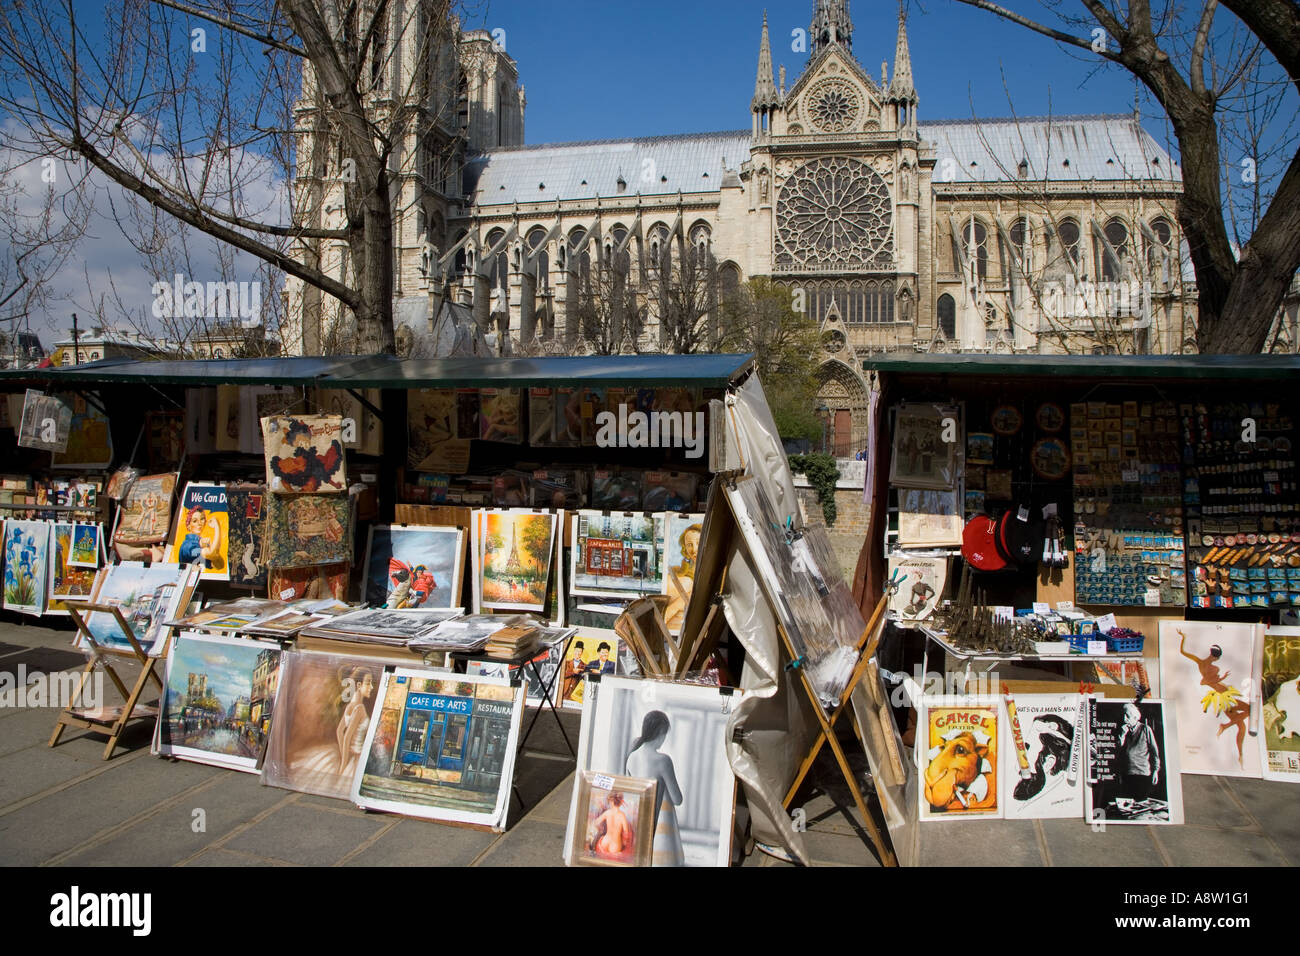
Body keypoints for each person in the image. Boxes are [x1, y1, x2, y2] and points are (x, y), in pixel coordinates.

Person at [1178, 629, 1251, 767]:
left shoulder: (1200, 662)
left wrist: (1183, 637)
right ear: (1217, 657)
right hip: (1224, 697)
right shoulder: (1215, 668)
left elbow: (1183, 652)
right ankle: (1225, 726)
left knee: (1241, 726)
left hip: (1221, 696)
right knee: (1249, 710)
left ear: (1211, 653)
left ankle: (1240, 755)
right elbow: (1209, 681)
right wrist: (1221, 678)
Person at [625, 710, 685, 866]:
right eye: (664, 734)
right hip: (654, 826)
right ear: (660, 732)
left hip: (633, 821)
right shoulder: (662, 760)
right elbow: (677, 799)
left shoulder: (632, 755)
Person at [270, 419, 344, 492]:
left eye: (307, 441)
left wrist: (334, 485)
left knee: (312, 480)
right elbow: (284, 476)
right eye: (300, 442)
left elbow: (321, 473)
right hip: (297, 469)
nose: (304, 443)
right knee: (285, 473)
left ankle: (297, 493)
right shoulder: (290, 462)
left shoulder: (311, 459)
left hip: (307, 475)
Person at [336, 668, 376, 781]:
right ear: (359, 685)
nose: (371, 687)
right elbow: (347, 736)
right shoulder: (359, 709)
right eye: (368, 683)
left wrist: (344, 755)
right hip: (357, 759)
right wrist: (344, 763)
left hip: (355, 757)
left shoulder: (351, 706)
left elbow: (339, 732)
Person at [1118, 703, 1160, 802]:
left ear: (1135, 717)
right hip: (1127, 774)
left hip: (1142, 774)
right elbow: (1118, 753)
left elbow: (1155, 752)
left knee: (1141, 804)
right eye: (1123, 715)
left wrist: (1155, 771)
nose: (1125, 718)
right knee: (1127, 806)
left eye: (1127, 716)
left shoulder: (1145, 729)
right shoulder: (1123, 731)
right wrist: (1123, 736)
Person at [589, 791, 634, 860]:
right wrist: (624, 842)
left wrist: (601, 828)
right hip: (615, 845)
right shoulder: (622, 815)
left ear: (611, 802)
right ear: (620, 803)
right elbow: (626, 832)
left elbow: (596, 822)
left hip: (605, 841)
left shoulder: (607, 812)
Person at [177, 506, 224, 571]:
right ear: (189, 526)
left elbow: (219, 565)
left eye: (202, 519)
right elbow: (212, 554)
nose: (199, 523)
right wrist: (217, 526)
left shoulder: (200, 542)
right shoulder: (188, 545)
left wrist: (212, 549)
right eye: (195, 521)